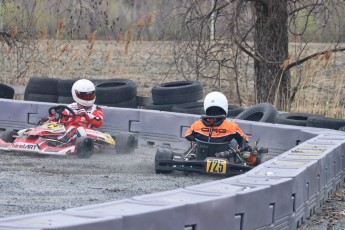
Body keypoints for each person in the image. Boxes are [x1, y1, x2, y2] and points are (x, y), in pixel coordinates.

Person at [184, 91, 250, 156]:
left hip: (201, 157)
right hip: (224, 159)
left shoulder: (197, 125)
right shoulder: (231, 126)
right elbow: (245, 140)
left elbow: (187, 136)